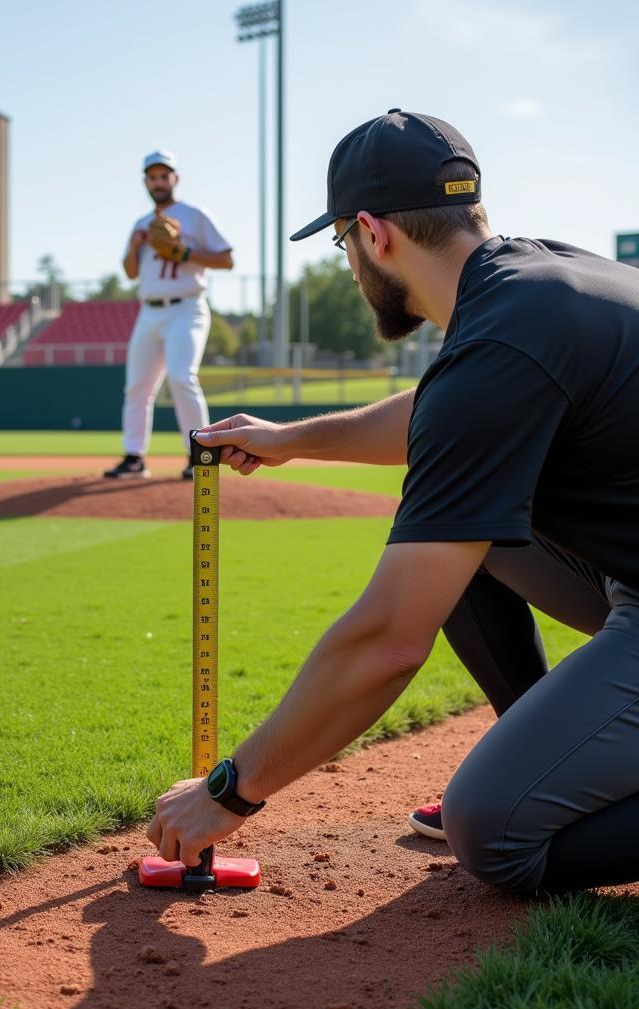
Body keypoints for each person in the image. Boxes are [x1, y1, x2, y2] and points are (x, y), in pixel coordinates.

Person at [147, 109, 639, 896]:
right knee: (460, 529)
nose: (347, 259)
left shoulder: (502, 340)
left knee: (494, 830)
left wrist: (229, 790)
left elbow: (387, 642)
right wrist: (293, 438)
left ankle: (541, 785)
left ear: (373, 234)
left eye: (341, 242)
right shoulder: (537, 279)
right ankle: (545, 753)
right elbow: (446, 414)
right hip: (626, 576)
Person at [104, 150, 233, 482]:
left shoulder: (194, 215)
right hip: (149, 311)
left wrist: (184, 252)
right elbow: (130, 272)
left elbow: (227, 259)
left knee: (181, 376)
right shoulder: (140, 224)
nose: (159, 182)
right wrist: (135, 246)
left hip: (186, 308)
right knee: (137, 388)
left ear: (176, 178)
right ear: (146, 182)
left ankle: (200, 455)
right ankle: (134, 458)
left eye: (164, 175)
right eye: (153, 176)